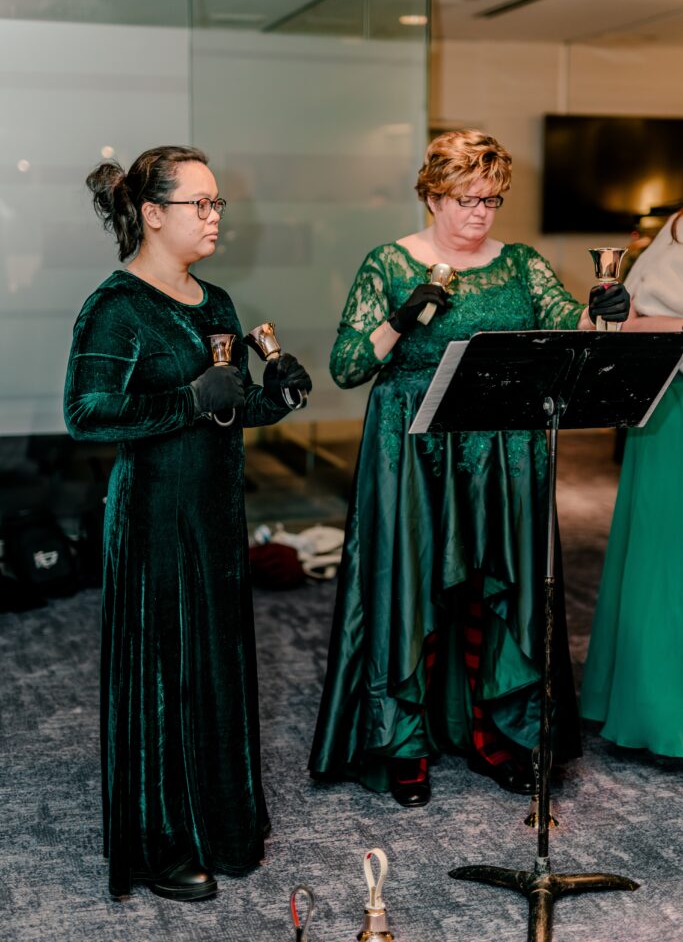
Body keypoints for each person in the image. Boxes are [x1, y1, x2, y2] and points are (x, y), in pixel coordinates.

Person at [308, 129, 629, 807]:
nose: (479, 213)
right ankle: (406, 745)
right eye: (464, 199)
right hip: (413, 450)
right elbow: (346, 366)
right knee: (414, 589)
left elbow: (565, 330)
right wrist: (401, 317)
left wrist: (600, 317)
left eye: (491, 199)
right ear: (430, 196)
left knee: (495, 589)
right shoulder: (390, 263)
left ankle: (496, 734)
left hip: (502, 450)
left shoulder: (520, 264)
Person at [64, 146, 312, 900]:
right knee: (166, 676)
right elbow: (86, 414)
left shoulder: (217, 303)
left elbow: (226, 410)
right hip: (153, 520)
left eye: (217, 205)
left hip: (214, 513)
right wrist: (188, 401)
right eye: (199, 204)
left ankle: (219, 825)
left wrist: (277, 399)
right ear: (150, 214)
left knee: (215, 666)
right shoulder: (117, 306)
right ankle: (158, 844)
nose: (214, 218)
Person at [581, 207, 683, 757]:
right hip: (664, 399)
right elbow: (624, 315)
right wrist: (620, 316)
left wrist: (643, 325)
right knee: (652, 553)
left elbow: (640, 321)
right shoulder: (670, 225)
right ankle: (645, 704)